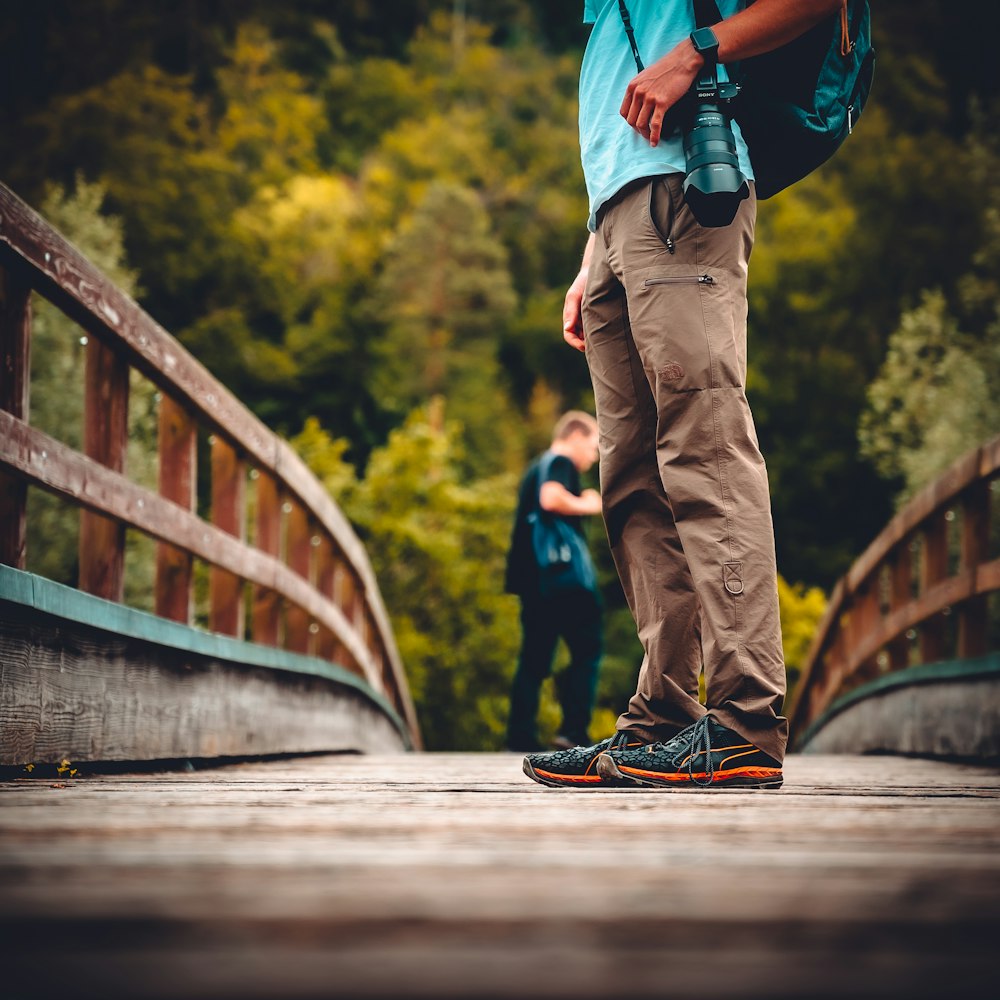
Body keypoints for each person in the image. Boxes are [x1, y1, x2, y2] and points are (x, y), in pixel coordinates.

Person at [522, 0, 843, 790]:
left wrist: (697, 50)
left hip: (684, 191)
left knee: (705, 449)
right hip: (623, 214)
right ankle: (660, 717)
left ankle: (742, 721)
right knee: (631, 477)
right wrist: (593, 250)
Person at [505, 411, 604, 752]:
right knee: (587, 652)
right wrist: (590, 504)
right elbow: (551, 498)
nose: (593, 457)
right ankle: (573, 731)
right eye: (593, 447)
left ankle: (519, 736)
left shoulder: (536, 466)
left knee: (533, 659)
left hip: (534, 579)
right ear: (575, 436)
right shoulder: (560, 462)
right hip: (563, 579)